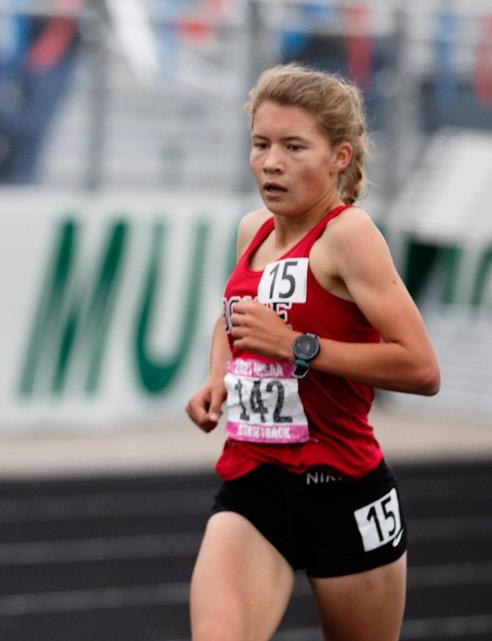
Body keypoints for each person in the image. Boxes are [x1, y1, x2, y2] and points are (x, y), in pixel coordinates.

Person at [184, 63, 439, 641]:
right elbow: (232, 317)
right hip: (252, 484)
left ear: (339, 157)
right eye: (261, 144)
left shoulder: (348, 236)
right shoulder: (254, 227)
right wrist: (215, 378)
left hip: (343, 491)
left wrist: (297, 346)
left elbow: (422, 368)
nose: (270, 162)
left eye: (294, 146)